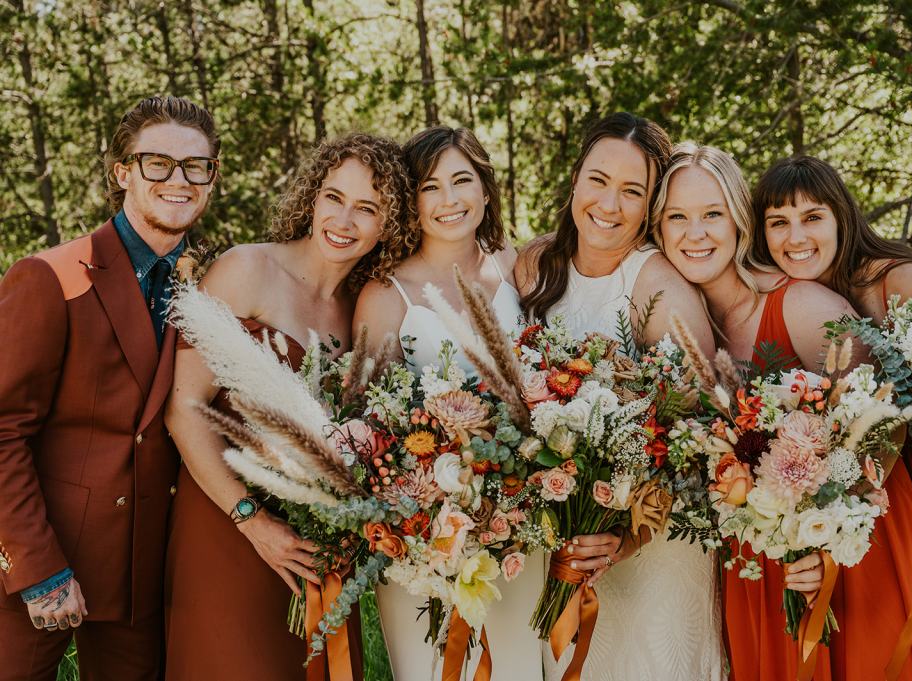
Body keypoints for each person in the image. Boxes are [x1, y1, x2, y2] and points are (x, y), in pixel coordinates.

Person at [163, 133, 412, 680]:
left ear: (389, 224)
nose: (343, 220)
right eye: (334, 197)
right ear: (312, 196)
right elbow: (184, 409)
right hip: (226, 523)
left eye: (366, 208)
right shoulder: (247, 269)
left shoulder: (364, 308)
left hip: (317, 543)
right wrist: (252, 522)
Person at [0, 96, 218, 680]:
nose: (179, 180)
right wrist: (37, 568)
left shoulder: (209, 286)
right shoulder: (50, 277)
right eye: (158, 163)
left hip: (144, 573)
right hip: (42, 562)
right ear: (122, 172)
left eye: (196, 166)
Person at [515, 112, 722, 681]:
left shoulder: (658, 288)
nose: (609, 204)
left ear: (651, 205)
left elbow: (697, 441)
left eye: (632, 191)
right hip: (560, 545)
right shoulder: (534, 265)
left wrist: (624, 539)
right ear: (575, 179)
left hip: (648, 553)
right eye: (599, 180)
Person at [652, 142, 863, 680]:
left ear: (740, 220)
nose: (695, 233)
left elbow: (880, 429)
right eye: (676, 217)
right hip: (748, 565)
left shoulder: (805, 306)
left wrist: (827, 536)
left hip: (837, 566)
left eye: (712, 214)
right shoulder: (680, 326)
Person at [353, 126, 542, 681]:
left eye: (463, 180)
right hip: (428, 533)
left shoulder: (515, 267)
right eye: (430, 187)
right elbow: (368, 419)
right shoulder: (386, 293)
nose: (449, 199)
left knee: (519, 665)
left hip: (522, 519)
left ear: (485, 189)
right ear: (410, 201)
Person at [750, 155, 912, 680]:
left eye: (812, 217)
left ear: (842, 216)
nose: (796, 237)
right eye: (778, 222)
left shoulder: (902, 282)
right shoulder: (805, 295)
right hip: (882, 501)